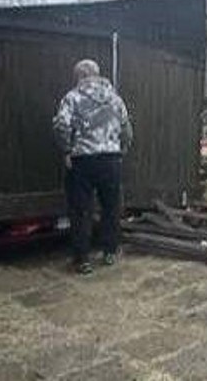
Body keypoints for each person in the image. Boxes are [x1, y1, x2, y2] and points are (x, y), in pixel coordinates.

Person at [53, 59, 132, 275]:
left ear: (79, 76)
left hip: (83, 161)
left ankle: (83, 259)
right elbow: (126, 128)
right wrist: (121, 149)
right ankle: (109, 252)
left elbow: (61, 125)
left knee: (81, 210)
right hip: (111, 159)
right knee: (111, 207)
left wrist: (67, 150)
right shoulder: (115, 98)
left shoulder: (72, 98)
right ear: (97, 74)